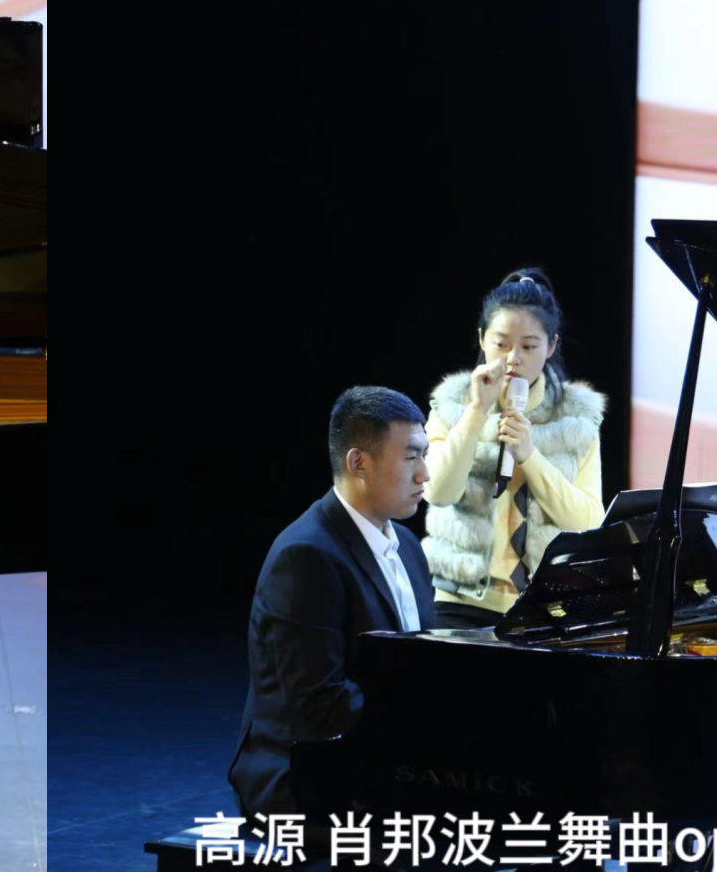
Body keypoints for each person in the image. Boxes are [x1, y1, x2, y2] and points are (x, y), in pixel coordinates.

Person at [228, 385, 436, 822]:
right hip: (306, 781)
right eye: (411, 457)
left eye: (425, 455)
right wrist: (428, 722)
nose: (424, 474)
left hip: (386, 762)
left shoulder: (410, 547)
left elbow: (419, 664)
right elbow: (320, 707)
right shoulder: (306, 556)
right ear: (359, 463)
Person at [422, 265, 607, 624]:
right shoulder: (451, 404)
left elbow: (588, 524)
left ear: (551, 346)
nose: (513, 358)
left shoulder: (577, 419)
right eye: (501, 344)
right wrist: (476, 413)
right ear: (481, 339)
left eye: (528, 346)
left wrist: (530, 457)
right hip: (460, 600)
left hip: (545, 606)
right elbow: (439, 492)